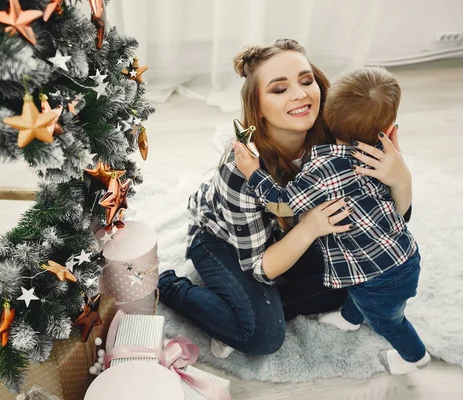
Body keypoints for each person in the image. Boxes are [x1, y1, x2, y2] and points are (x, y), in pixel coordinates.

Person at [158, 39, 413, 361]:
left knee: (365, 278)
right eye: (280, 89)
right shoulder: (240, 172)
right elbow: (261, 268)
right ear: (258, 106)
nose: (300, 94)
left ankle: (239, 312)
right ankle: (169, 286)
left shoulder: (340, 136)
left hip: (290, 235)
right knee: (262, 336)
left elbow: (386, 226)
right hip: (225, 240)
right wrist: (309, 229)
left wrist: (401, 179)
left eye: (306, 81)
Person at [233, 67, 429, 374]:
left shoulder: (323, 169)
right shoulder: (380, 151)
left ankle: (414, 357)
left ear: (326, 112)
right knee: (359, 292)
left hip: (377, 274)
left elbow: (283, 204)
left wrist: (253, 173)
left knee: (387, 320)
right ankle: (351, 319)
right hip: (404, 254)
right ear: (388, 127)